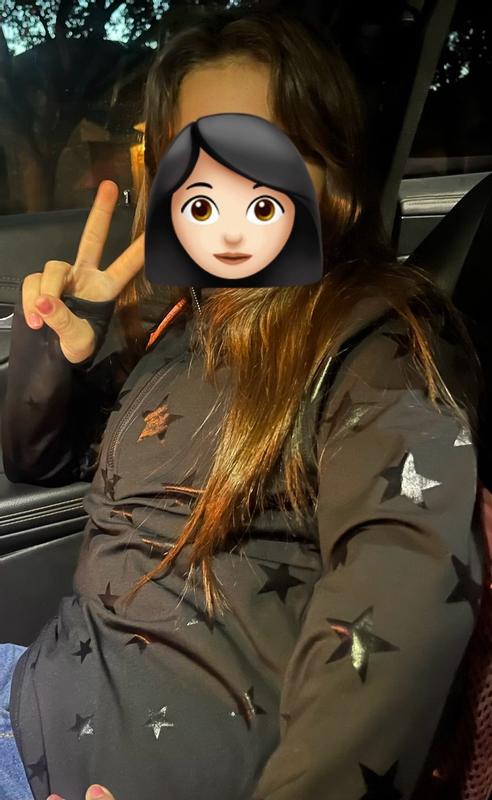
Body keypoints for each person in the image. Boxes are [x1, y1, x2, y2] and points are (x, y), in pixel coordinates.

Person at [0, 9, 488, 800]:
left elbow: (403, 594)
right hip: (34, 692)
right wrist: (57, 347)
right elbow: (40, 461)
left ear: (332, 181)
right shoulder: (182, 324)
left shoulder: (379, 344)